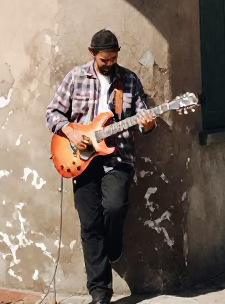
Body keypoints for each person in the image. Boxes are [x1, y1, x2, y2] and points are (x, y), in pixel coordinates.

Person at [45, 30, 156, 304]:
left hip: (118, 158)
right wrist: (71, 133)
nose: (109, 63)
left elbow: (144, 119)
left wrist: (148, 121)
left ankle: (114, 245)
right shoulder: (75, 77)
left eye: (114, 58)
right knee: (90, 224)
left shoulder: (129, 80)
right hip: (80, 160)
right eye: (105, 59)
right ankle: (100, 294)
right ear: (92, 53)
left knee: (115, 207)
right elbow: (52, 113)